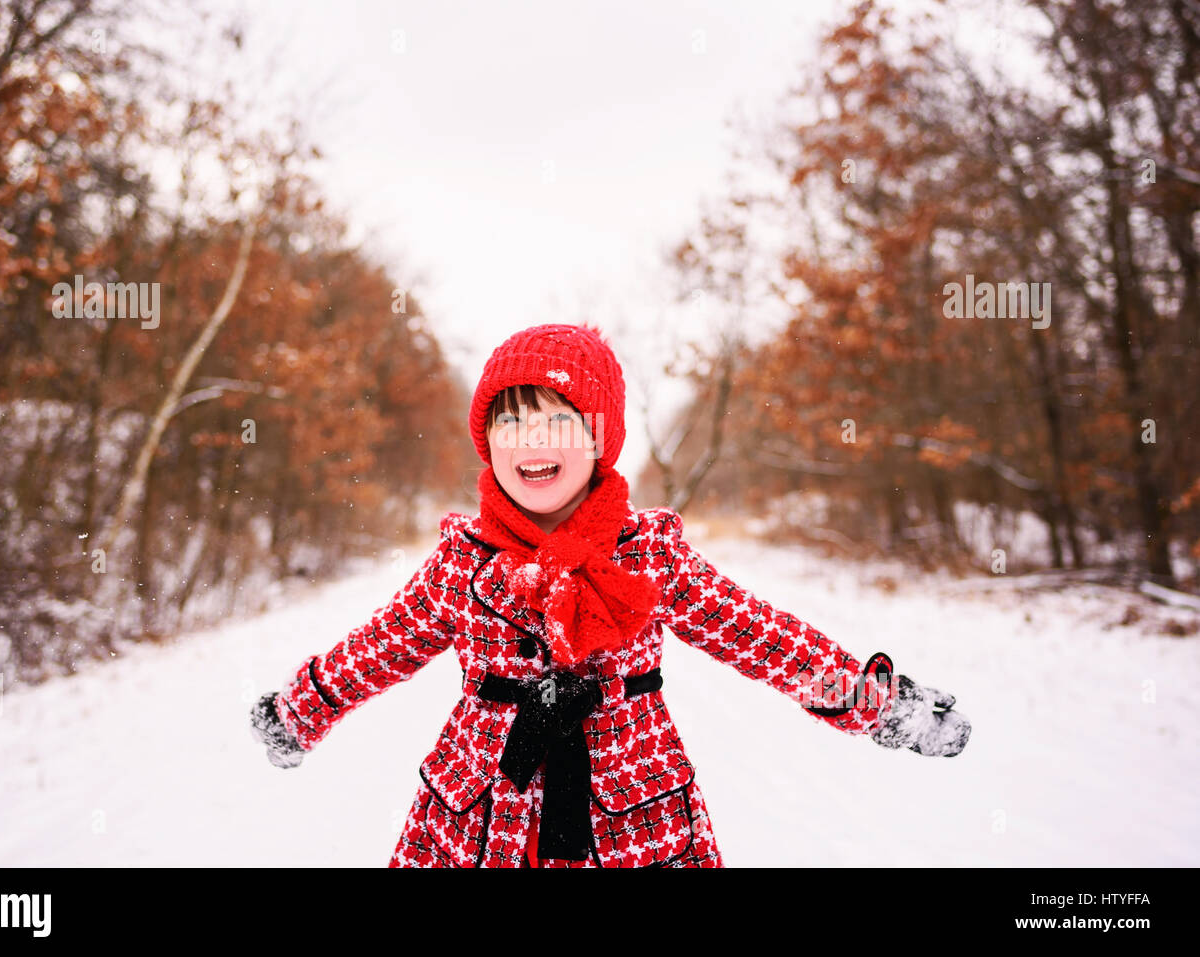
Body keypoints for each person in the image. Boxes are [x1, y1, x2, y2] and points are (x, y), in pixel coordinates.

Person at [250, 322, 971, 867]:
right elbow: (380, 645)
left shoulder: (649, 553)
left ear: (600, 438)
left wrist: (877, 702)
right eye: (510, 418)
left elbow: (760, 636)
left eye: (557, 417)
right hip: (480, 815)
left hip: (631, 815)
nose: (530, 438)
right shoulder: (461, 562)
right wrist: (298, 711)